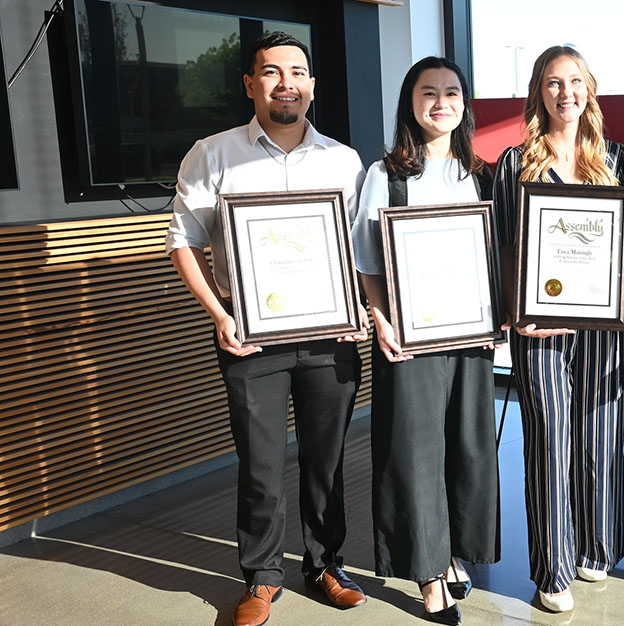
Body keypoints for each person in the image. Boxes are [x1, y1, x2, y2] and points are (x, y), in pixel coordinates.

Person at [166, 31, 369, 626]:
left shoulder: (344, 160)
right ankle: (261, 577)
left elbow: (361, 250)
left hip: (329, 336)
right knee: (258, 462)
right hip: (249, 335)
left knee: (326, 458)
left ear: (311, 84)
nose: (287, 83)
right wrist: (220, 315)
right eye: (272, 72)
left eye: (298, 72)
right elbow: (184, 242)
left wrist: (360, 305)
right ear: (250, 84)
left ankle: (326, 564)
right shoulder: (213, 154)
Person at [491, 45, 624, 613]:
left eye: (574, 81)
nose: (565, 93)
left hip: (603, 323)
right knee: (550, 440)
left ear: (590, 88)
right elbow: (507, 244)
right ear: (539, 92)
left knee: (602, 435)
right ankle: (552, 569)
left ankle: (597, 545)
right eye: (553, 83)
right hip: (539, 326)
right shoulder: (514, 162)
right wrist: (514, 311)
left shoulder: (619, 160)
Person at [349, 56, 499, 626]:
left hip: (468, 333)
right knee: (413, 453)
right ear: (409, 102)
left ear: (465, 104)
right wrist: (380, 318)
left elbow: (498, 254)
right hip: (409, 337)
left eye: (452, 92)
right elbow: (368, 261)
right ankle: (428, 574)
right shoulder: (383, 175)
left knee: (467, 445)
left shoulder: (481, 174)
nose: (441, 102)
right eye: (428, 92)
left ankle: (457, 551)